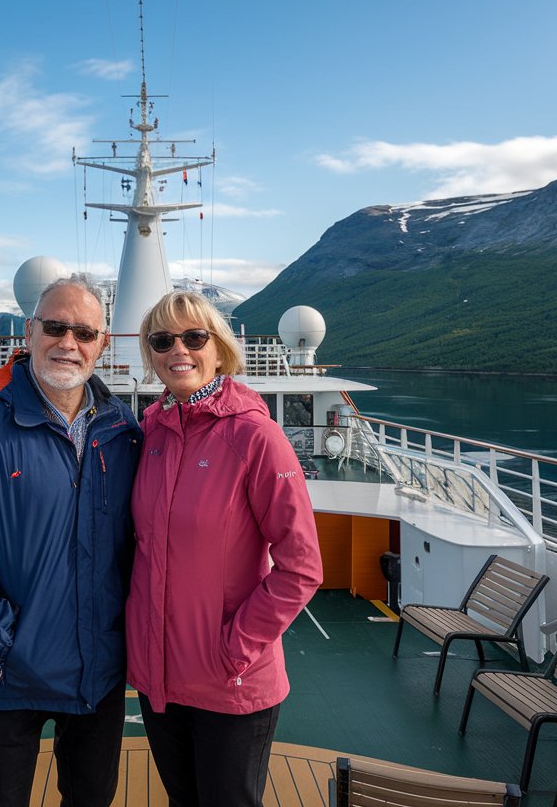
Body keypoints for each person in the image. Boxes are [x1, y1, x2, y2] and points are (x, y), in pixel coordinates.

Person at [0, 275, 142, 807]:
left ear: (102, 344)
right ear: (30, 331)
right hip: (5, 675)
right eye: (55, 327)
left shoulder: (123, 430)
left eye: (84, 332)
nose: (69, 343)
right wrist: (1, 641)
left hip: (97, 671)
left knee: (91, 799)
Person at [125, 290, 322, 807]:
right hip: (160, 681)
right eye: (162, 340)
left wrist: (234, 649)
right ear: (150, 353)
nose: (178, 350)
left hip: (231, 683)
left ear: (219, 349)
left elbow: (301, 567)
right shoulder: (152, 433)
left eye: (194, 337)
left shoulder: (256, 436)